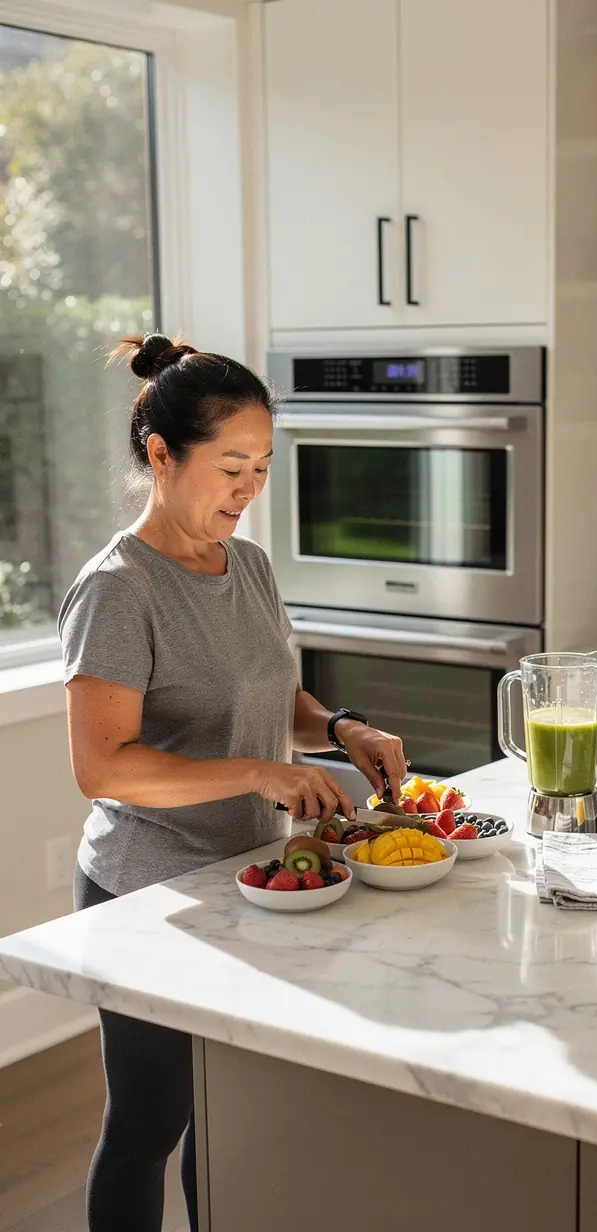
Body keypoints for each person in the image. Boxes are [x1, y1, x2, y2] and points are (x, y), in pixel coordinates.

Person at [59, 333, 407, 1232]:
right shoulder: (119, 590)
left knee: (231, 1113)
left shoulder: (246, 564)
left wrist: (337, 728)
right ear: (162, 456)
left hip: (249, 877)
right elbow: (104, 766)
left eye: (262, 467)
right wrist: (262, 772)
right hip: (147, 891)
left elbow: (266, 691)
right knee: (150, 1122)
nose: (249, 490)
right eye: (231, 467)